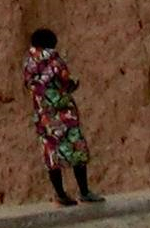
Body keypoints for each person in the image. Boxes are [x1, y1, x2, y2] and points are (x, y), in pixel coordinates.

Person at [23, 28, 101, 205]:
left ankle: (60, 194)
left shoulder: (28, 62)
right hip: (63, 113)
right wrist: (72, 86)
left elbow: (30, 85)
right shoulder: (55, 59)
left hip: (43, 115)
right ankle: (84, 191)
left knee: (51, 153)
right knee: (76, 149)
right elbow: (65, 81)